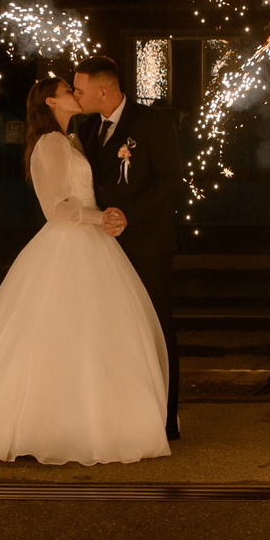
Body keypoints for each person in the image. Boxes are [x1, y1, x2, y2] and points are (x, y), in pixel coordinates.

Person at [0, 75, 171, 465]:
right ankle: (57, 423)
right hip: (71, 242)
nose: (75, 94)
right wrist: (97, 216)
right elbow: (56, 209)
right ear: (51, 103)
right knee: (61, 333)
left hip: (91, 242)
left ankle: (92, 419)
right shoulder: (52, 143)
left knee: (92, 335)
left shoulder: (71, 138)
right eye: (68, 91)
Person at [72, 53, 183, 440]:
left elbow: (170, 181)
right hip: (100, 247)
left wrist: (128, 215)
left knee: (155, 328)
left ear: (104, 90)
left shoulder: (153, 121)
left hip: (146, 243)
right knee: (112, 330)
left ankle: (166, 420)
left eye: (80, 89)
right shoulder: (86, 130)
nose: (76, 95)